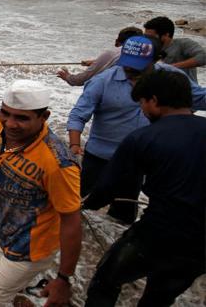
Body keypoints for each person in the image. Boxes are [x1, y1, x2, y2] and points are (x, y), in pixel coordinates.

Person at [0, 80, 81, 307]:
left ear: (44, 117)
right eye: (5, 113)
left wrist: (63, 279)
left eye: (22, 118)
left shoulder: (58, 164)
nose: (10, 124)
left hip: (33, 247)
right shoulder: (2, 128)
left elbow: (72, 221)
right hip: (10, 228)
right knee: (5, 287)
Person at [83, 70, 206, 307]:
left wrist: (85, 204)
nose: (142, 110)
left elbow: (109, 187)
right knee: (160, 297)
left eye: (142, 102)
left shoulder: (142, 138)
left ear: (154, 101)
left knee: (106, 280)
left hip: (157, 235)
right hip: (199, 248)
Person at [67, 35, 206, 224]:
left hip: (141, 160)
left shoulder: (170, 79)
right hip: (101, 156)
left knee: (123, 215)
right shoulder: (102, 81)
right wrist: (75, 145)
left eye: (138, 66)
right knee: (78, 205)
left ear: (156, 60)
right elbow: (78, 114)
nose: (130, 70)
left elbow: (198, 97)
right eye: (127, 64)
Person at [57, 27, 142, 86]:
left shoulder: (111, 53)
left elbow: (83, 79)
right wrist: (96, 62)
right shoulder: (147, 56)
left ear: (117, 41)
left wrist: (68, 77)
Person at [144, 16, 206, 83]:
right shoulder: (147, 48)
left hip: (186, 91)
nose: (147, 40)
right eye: (146, 36)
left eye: (151, 37)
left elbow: (203, 57)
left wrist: (170, 68)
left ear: (166, 35)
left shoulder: (182, 44)